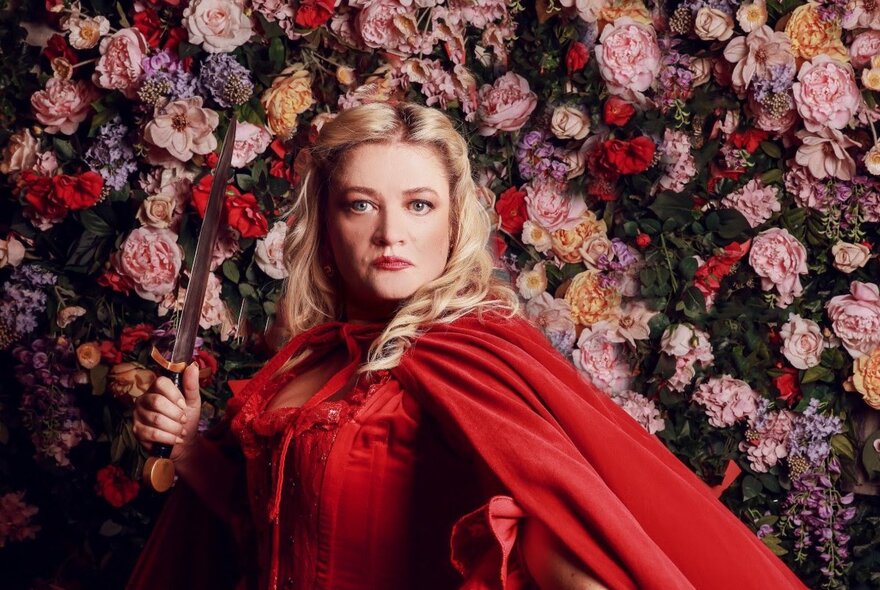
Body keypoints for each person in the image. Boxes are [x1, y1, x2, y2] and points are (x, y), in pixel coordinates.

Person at [129, 102, 807, 590]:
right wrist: (190, 450)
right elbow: (264, 529)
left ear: (454, 221)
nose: (390, 233)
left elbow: (553, 526)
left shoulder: (473, 356)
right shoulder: (305, 361)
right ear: (326, 224)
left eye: (418, 204)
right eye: (361, 204)